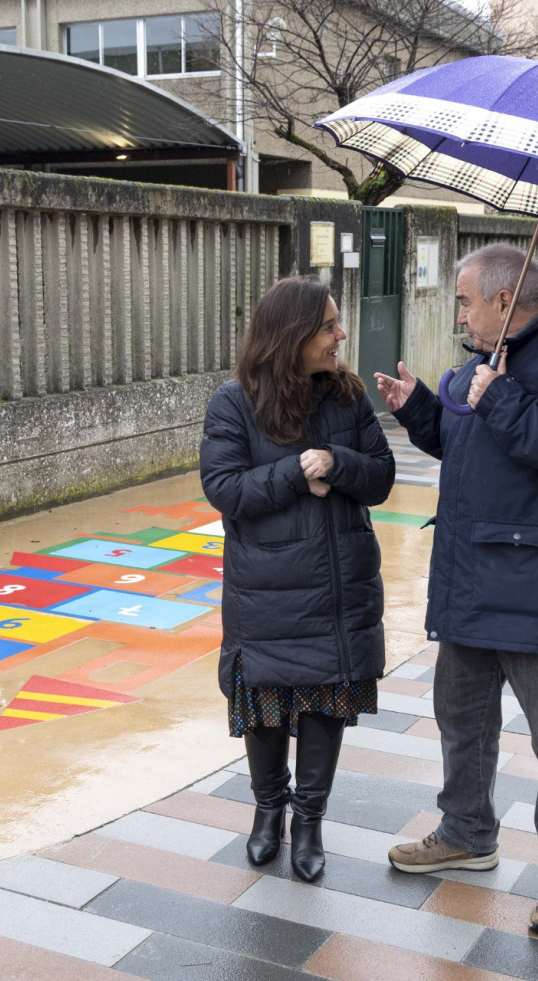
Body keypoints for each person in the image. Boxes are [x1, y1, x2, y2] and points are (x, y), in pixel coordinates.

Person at [374, 243, 538, 936]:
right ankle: (465, 831)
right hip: (468, 581)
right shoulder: (478, 363)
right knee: (461, 720)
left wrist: (506, 399)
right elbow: (471, 445)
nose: (457, 311)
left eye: (464, 300)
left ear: (500, 299)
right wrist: (421, 411)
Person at [200, 275, 395, 882]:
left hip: (338, 584)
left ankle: (309, 820)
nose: (341, 334)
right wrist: (292, 474)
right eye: (329, 326)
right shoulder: (234, 401)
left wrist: (338, 464)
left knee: (323, 702)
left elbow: (383, 477)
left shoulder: (348, 397)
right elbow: (223, 488)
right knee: (264, 700)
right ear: (293, 335)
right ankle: (267, 813)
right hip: (268, 585)